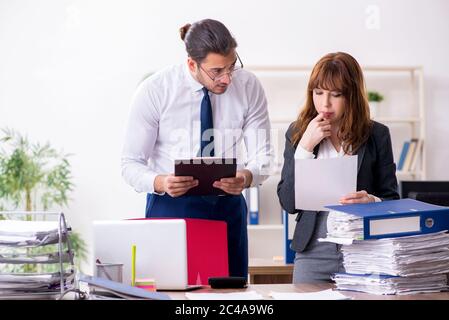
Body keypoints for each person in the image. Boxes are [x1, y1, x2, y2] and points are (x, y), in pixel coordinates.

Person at [121, 19, 273, 277]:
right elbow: (130, 164)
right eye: (216, 71)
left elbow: (264, 157)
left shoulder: (248, 87)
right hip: (171, 208)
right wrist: (160, 182)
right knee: (170, 292)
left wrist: (247, 177)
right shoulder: (155, 91)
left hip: (227, 207)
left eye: (232, 66)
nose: (227, 78)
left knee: (230, 296)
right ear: (192, 64)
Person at [277, 52, 399, 283]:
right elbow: (288, 203)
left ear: (351, 95)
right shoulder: (298, 132)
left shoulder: (377, 135)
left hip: (364, 251)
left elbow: (392, 199)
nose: (325, 103)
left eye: (336, 94)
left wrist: (371, 202)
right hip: (313, 251)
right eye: (318, 92)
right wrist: (304, 148)